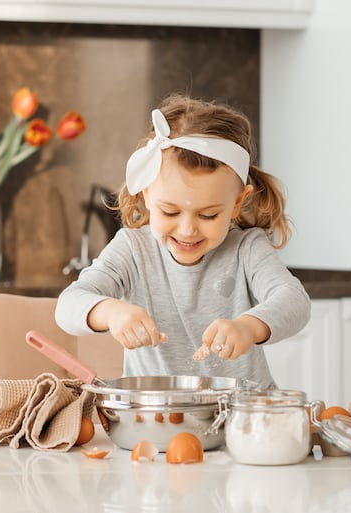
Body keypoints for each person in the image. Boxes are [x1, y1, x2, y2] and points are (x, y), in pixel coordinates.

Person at [55, 94, 310, 388]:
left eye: (209, 215)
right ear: (146, 194)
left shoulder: (247, 249)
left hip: (244, 418)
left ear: (238, 203)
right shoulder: (133, 249)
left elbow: (295, 301)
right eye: (170, 211)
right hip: (159, 418)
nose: (187, 230)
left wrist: (249, 327)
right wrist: (111, 312)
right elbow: (67, 306)